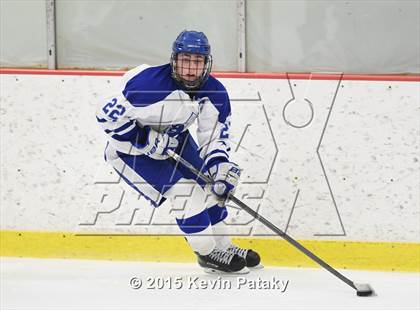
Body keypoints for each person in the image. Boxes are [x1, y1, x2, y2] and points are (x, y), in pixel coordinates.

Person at [96, 30, 261, 274]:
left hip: (174, 139)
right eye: (185, 60)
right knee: (185, 191)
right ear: (174, 60)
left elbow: (213, 137)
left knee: (209, 183)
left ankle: (223, 245)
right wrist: (143, 139)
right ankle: (206, 253)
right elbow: (105, 117)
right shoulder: (147, 85)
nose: (190, 68)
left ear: (206, 64)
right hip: (129, 149)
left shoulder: (214, 92)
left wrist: (220, 169)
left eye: (197, 62)